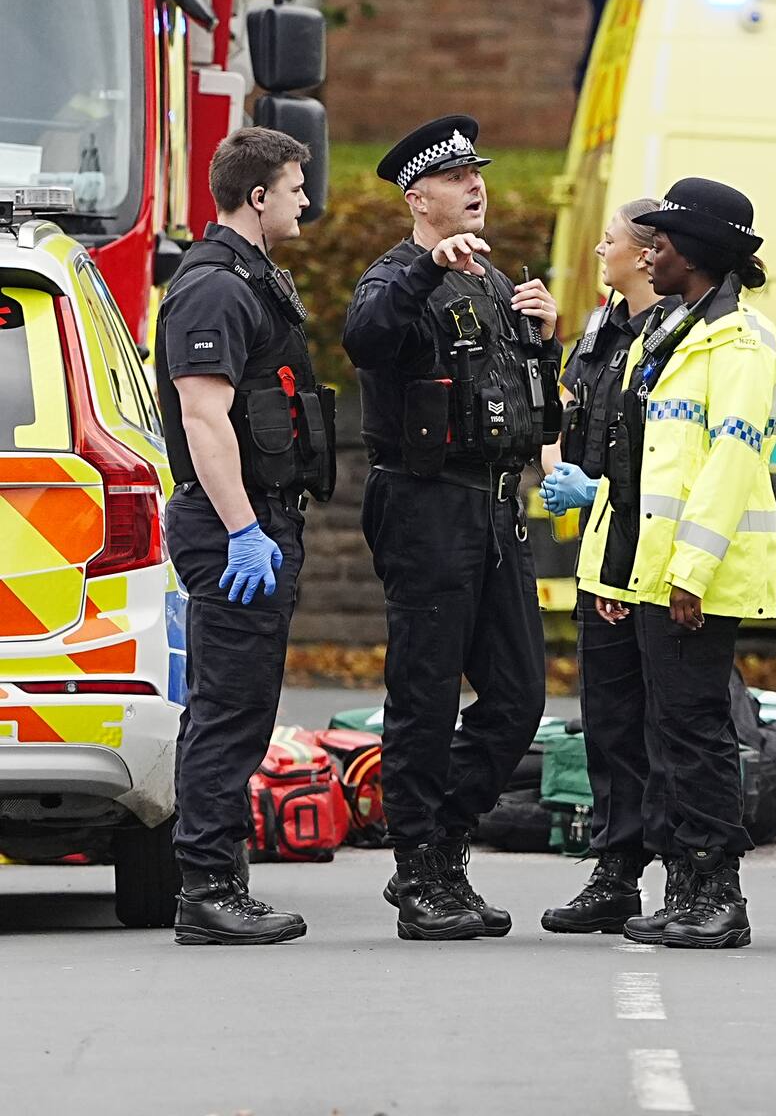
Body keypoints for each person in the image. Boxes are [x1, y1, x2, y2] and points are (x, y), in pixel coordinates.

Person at [342, 115, 562, 941]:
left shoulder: (493, 281)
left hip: (496, 503)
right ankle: (420, 868)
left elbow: (523, 403)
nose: (477, 185)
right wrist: (422, 273)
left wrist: (542, 341)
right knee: (425, 696)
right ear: (418, 196)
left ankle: (445, 835)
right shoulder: (395, 275)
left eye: (480, 173)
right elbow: (365, 339)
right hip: (425, 504)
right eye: (458, 176)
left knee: (517, 696)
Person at [576, 178, 776, 950]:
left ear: (695, 253)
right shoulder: (669, 333)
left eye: (662, 242)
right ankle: (686, 886)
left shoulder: (740, 341)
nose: (649, 251)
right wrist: (616, 571)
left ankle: (718, 892)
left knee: (695, 735)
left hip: (691, 579)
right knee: (666, 733)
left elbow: (730, 463)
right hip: (649, 572)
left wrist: (690, 573)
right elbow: (638, 465)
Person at [158, 127, 335, 945]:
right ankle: (208, 889)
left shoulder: (250, 279)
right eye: (296, 187)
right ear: (258, 195)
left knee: (239, 707)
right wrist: (241, 530)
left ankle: (217, 881)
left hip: (255, 520)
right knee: (230, 711)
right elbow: (203, 414)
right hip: (235, 522)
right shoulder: (216, 290)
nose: (307, 199)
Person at [538, 198, 680, 934]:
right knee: (610, 723)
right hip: (604, 549)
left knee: (672, 725)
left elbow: (667, 454)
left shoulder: (675, 334)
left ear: (649, 251)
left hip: (652, 550)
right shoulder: (602, 327)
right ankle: (616, 869)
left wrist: (604, 495)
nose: (599, 248)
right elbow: (568, 414)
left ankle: (687, 872)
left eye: (612, 239)